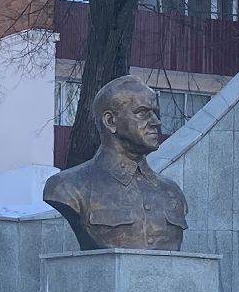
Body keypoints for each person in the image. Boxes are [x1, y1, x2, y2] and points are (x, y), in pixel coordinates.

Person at [43, 74, 189, 250]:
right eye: (142, 113)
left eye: (156, 113)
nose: (156, 122)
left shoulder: (172, 191)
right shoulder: (67, 187)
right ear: (110, 121)